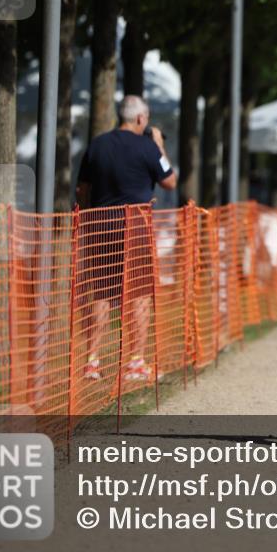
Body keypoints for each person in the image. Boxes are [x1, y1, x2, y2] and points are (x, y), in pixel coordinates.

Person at [76, 95, 178, 381]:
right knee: (140, 293)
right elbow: (169, 180)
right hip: (136, 227)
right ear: (140, 119)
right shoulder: (147, 146)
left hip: (101, 226)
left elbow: (82, 189)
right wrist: (158, 142)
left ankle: (92, 362)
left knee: (101, 293)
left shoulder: (97, 144)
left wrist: (89, 215)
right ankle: (135, 361)